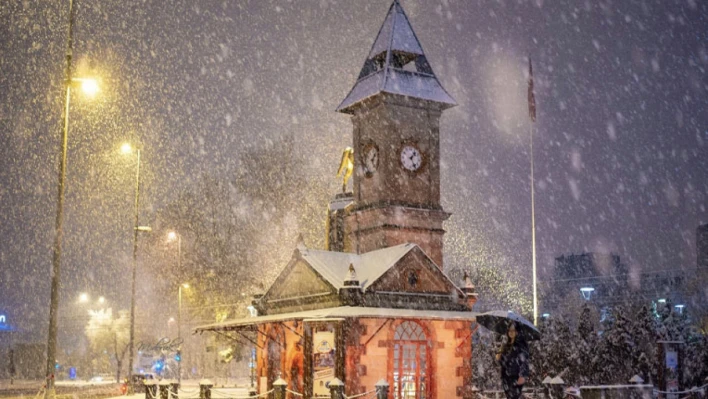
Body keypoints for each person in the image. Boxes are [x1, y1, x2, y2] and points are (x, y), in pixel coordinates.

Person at [495, 322, 530, 399]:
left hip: (515, 376)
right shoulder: (506, 345)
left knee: (514, 396)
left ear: (517, 332)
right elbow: (503, 363)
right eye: (509, 330)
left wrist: (522, 375)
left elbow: (524, 362)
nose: (511, 332)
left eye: (513, 330)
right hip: (506, 377)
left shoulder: (521, 345)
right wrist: (499, 357)